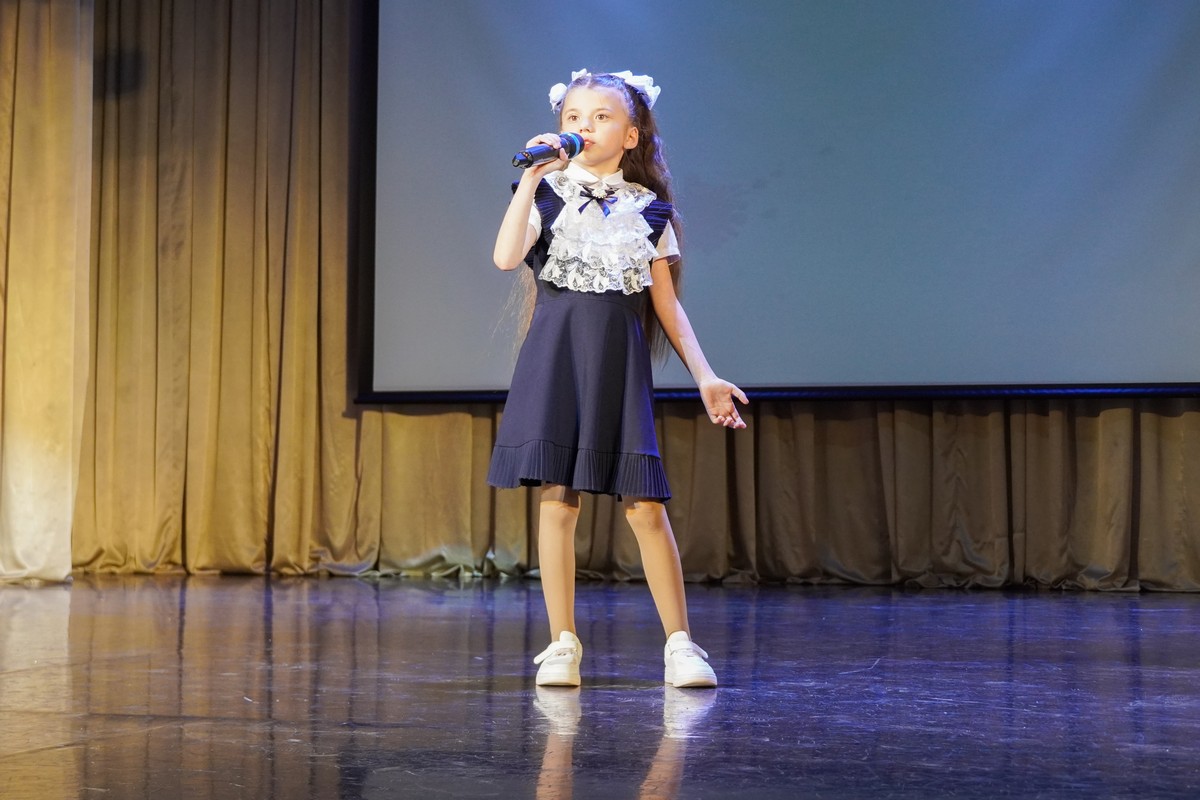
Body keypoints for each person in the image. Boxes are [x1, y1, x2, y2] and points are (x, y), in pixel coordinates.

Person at [488, 69, 747, 689]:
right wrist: (532, 178)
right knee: (557, 500)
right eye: (573, 117)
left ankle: (680, 645)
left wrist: (706, 376)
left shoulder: (648, 211)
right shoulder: (546, 196)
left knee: (645, 505)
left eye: (601, 117)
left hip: (617, 369)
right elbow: (504, 257)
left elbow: (667, 306)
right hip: (553, 364)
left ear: (631, 135)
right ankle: (561, 643)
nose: (584, 127)